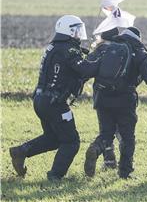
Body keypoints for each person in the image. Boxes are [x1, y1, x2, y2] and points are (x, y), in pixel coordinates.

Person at [9, 15, 100, 180]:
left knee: (53, 139)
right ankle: (55, 176)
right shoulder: (68, 49)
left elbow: (72, 72)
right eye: (77, 30)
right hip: (55, 103)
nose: (80, 34)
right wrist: (100, 59)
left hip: (41, 101)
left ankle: (20, 152)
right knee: (71, 142)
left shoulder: (55, 47)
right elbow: (86, 70)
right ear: (68, 31)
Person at [84, 26, 147, 179]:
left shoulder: (105, 48)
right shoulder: (140, 53)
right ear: (138, 39)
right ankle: (125, 172)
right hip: (125, 101)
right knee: (127, 138)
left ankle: (96, 148)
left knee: (106, 133)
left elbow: (87, 69)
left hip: (102, 98)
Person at [86, 27, 121, 170]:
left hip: (100, 97)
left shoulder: (99, 50)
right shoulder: (122, 50)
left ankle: (109, 160)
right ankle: (121, 164)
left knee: (105, 130)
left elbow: (87, 70)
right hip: (120, 97)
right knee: (121, 132)